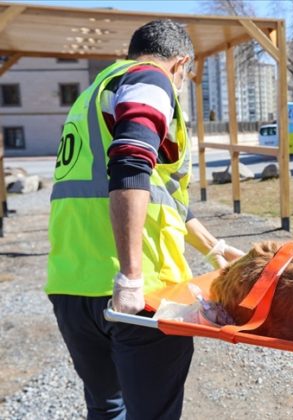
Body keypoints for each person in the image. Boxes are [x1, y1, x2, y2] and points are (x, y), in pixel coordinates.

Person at [46, 20, 244, 419]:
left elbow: (162, 194)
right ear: (181, 64)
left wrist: (215, 248)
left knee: (106, 408)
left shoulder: (95, 93)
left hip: (72, 286)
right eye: (186, 76)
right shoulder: (152, 82)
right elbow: (131, 166)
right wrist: (131, 277)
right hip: (141, 295)